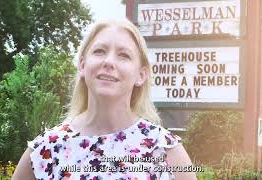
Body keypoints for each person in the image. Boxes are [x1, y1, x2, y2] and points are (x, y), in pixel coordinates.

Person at [12, 19, 197, 180]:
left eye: (124, 55)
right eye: (100, 51)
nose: (108, 61)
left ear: (141, 75)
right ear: (83, 65)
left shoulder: (165, 150)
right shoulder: (46, 150)